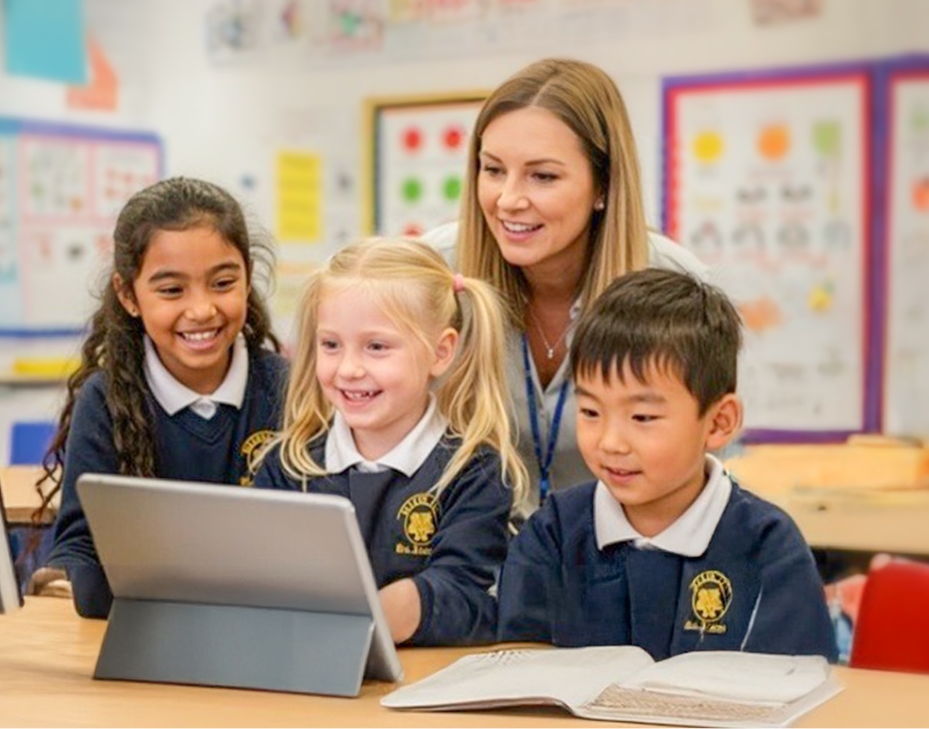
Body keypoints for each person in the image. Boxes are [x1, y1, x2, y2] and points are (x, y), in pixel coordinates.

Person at [496, 268, 836, 661]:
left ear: (718, 422)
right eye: (590, 411)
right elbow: (518, 666)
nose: (610, 442)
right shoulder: (552, 534)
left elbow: (799, 688)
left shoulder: (767, 547)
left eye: (642, 418)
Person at [422, 57, 706, 519]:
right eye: (493, 170)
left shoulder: (676, 286)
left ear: (603, 186)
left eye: (543, 176)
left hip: (617, 560)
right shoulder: (432, 273)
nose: (509, 199)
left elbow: (709, 463)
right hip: (464, 560)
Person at [35, 176, 289, 618]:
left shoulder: (291, 389)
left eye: (223, 283)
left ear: (247, 279)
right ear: (128, 295)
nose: (202, 310)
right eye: (172, 290)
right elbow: (80, 544)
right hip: (145, 634)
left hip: (265, 629)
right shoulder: (108, 398)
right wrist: (67, 579)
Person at [254, 237, 527, 646]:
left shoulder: (473, 470)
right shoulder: (290, 464)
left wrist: (402, 606)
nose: (347, 369)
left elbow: (471, 599)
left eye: (376, 347)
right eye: (330, 345)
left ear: (441, 352)